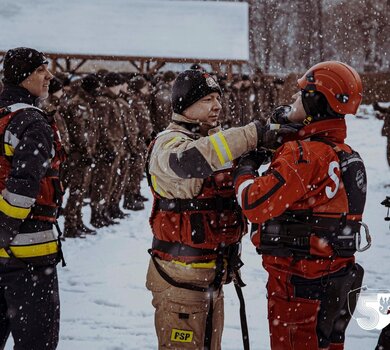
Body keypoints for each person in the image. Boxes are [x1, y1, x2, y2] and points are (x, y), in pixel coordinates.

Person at [145, 69, 288, 349]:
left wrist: (253, 158)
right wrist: (253, 135)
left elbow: (216, 156)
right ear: (185, 104)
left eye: (218, 98)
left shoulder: (211, 142)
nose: (217, 106)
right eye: (208, 99)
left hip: (207, 278)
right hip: (180, 282)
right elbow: (192, 160)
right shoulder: (169, 143)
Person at [234, 61, 368, 350]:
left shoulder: (303, 156)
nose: (292, 99)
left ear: (315, 101)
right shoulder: (345, 153)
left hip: (299, 287)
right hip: (336, 283)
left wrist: (244, 170)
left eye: (300, 95)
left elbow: (253, 203)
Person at [0, 47, 66, 349]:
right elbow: (23, 187)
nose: (49, 76)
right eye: (42, 70)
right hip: (29, 261)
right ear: (24, 77)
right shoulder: (32, 121)